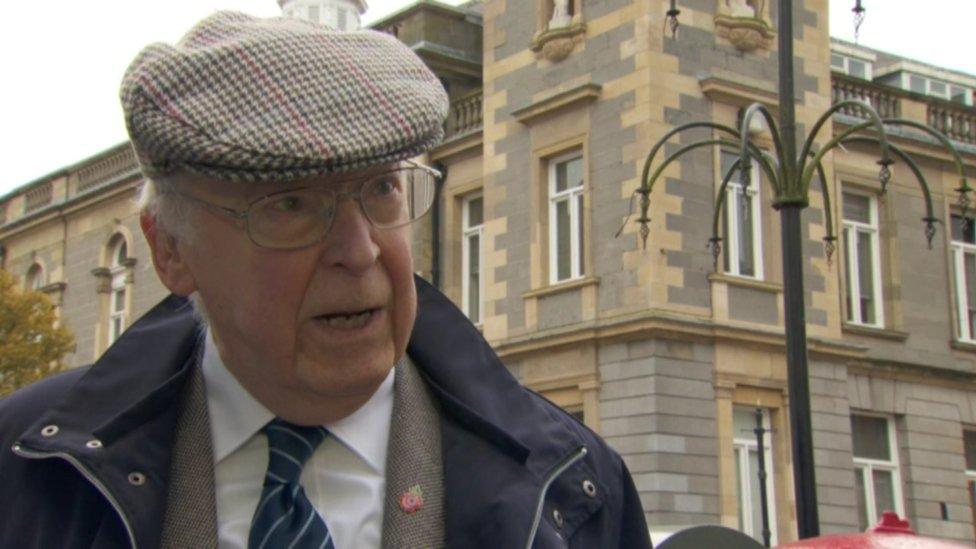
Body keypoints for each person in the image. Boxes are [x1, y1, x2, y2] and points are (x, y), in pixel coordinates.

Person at [0, 12, 651, 549]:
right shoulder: (25, 473)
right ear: (170, 251)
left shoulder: (579, 485)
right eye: (291, 204)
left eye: (382, 188)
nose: (360, 249)